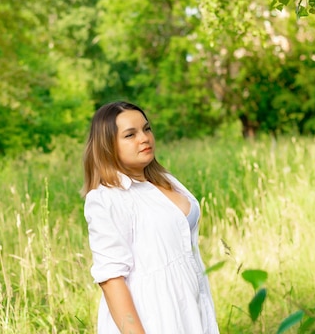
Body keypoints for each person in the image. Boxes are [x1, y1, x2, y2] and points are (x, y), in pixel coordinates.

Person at [82, 101, 220, 334]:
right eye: (130, 135)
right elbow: (111, 280)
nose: (144, 138)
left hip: (192, 305)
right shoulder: (107, 199)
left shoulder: (165, 180)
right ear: (108, 146)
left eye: (146, 129)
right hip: (154, 316)